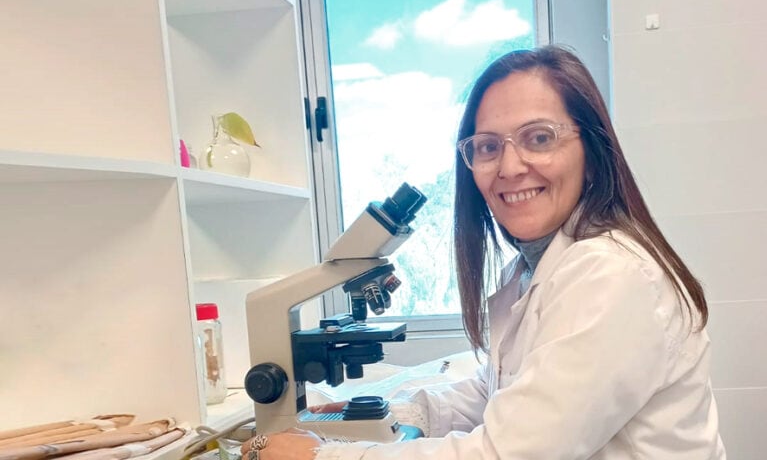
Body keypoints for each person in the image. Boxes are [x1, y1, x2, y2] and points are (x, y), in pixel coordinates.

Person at [240, 45, 726, 460]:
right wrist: (388, 414)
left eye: (539, 138)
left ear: (592, 152)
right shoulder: (532, 270)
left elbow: (504, 452)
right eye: (488, 147)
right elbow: (498, 393)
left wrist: (327, 456)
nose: (510, 167)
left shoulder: (611, 275)